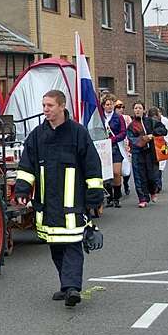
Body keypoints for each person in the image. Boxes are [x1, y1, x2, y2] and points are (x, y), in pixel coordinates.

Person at [14, 90, 104, 307]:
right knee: (56, 245)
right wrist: (22, 190)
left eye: (50, 105)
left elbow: (92, 165)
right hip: (47, 203)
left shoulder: (77, 133)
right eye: (44, 105)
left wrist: (94, 197)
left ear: (62, 106)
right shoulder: (37, 135)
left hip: (73, 202)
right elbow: (26, 166)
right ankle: (66, 286)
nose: (45, 109)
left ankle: (73, 288)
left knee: (73, 243)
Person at [127, 101, 167, 208]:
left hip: (151, 153)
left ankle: (153, 191)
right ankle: (142, 198)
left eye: (140, 108)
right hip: (138, 153)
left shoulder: (150, 121)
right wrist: (144, 139)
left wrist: (153, 135)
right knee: (139, 176)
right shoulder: (131, 126)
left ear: (144, 110)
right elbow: (132, 139)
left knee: (152, 175)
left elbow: (163, 130)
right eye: (135, 108)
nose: (138, 110)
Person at [102, 94, 127, 208]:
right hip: (103, 147)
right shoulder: (100, 117)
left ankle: (117, 197)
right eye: (107, 104)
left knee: (116, 172)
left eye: (112, 104)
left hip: (115, 147)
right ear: (103, 105)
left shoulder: (118, 117)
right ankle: (109, 198)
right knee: (107, 173)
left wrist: (113, 139)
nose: (110, 106)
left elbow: (123, 132)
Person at [149, 107, 168, 192]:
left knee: (161, 164)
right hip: (152, 146)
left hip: (162, 145)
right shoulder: (149, 121)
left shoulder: (164, 120)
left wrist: (166, 140)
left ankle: (158, 185)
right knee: (154, 165)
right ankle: (155, 184)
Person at [114, 100, 133, 195]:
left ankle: (126, 182)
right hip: (117, 143)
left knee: (126, 166)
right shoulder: (112, 118)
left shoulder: (127, 118)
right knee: (117, 168)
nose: (121, 109)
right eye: (118, 107)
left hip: (126, 143)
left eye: (122, 107)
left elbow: (130, 130)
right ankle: (118, 186)